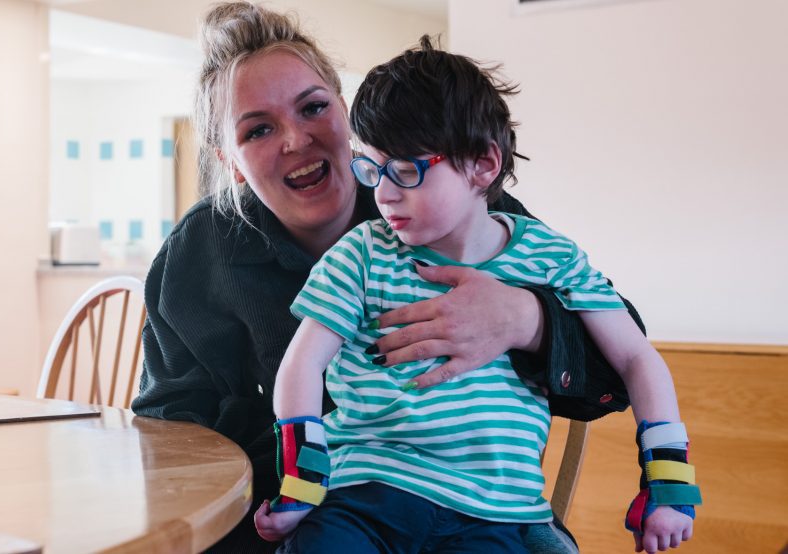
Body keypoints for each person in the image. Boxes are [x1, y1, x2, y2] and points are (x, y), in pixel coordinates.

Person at [132, 3, 640, 552]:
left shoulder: (459, 207)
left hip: (488, 516)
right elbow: (168, 432)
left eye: (314, 108)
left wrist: (528, 320)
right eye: (257, 130)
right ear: (230, 162)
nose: (295, 140)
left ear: (346, 113)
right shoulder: (197, 254)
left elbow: (618, 371)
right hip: (284, 513)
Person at [253, 38, 701, 554]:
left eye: (405, 170)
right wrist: (301, 483)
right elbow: (301, 365)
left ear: (483, 166)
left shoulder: (550, 257)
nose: (384, 194)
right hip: (366, 494)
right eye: (373, 169)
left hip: (494, 512)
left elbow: (635, 357)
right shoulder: (363, 252)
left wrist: (668, 483)